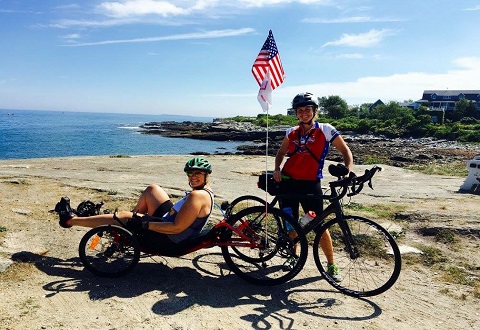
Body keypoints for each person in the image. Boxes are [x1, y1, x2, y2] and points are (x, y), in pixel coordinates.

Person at [54, 157, 215, 253]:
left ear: (206, 175)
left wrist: (144, 223)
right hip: (167, 220)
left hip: (169, 239)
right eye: (190, 173)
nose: (193, 177)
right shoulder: (206, 191)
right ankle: (125, 230)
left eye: (197, 173)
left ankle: (70, 220)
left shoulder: (197, 196)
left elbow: (176, 228)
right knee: (153, 189)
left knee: (124, 216)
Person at [273, 92, 353, 281]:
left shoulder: (325, 130)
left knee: (318, 225)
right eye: (300, 110)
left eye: (307, 110)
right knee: (290, 221)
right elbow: (281, 152)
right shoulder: (291, 132)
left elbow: (345, 150)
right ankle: (294, 256)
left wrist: (348, 170)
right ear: (296, 113)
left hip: (311, 185)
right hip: (288, 183)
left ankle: (331, 264)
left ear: (315, 111)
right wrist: (277, 169)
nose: (304, 113)